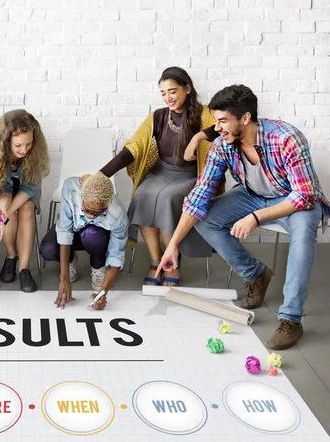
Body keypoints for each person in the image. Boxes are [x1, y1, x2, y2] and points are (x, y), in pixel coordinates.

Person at [157, 84, 330, 350]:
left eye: (223, 120)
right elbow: (199, 197)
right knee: (205, 218)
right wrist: (172, 247)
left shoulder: (286, 138)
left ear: (245, 118)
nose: (217, 127)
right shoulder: (222, 144)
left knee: (304, 235)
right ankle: (256, 275)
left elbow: (305, 195)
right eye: (216, 120)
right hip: (252, 194)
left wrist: (256, 218)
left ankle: (290, 319)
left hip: (293, 200)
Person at [100, 66, 221, 287]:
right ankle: (156, 261)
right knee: (143, 194)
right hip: (161, 172)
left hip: (191, 177)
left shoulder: (206, 114)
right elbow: (134, 147)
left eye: (172, 91)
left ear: (187, 88)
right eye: (163, 93)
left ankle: (172, 262)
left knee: (167, 199)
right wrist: (103, 174)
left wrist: (197, 139)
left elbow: (223, 126)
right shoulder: (158, 116)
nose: (168, 98)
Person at [0, 109, 50, 293]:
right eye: (18, 145)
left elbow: (30, 188)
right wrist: (3, 209)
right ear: (5, 141)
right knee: (9, 209)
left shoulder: (34, 153)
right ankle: (11, 255)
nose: (24, 150)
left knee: (26, 209)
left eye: (29, 144)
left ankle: (24, 268)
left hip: (26, 190)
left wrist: (3, 215)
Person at [40, 173, 129, 310]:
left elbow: (116, 256)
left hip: (96, 238)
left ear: (107, 203)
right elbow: (65, 230)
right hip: (73, 232)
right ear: (82, 196)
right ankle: (70, 260)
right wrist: (65, 279)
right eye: (86, 210)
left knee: (91, 234)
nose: (90, 216)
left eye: (97, 213)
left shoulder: (118, 215)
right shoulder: (71, 188)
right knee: (48, 249)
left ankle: (98, 265)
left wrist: (102, 293)